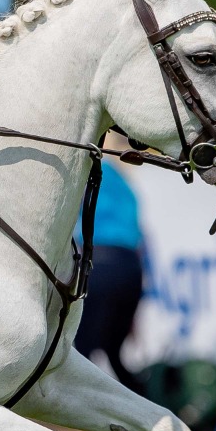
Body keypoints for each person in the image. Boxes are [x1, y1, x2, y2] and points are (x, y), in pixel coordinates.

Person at [74, 152, 145, 395]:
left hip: (97, 264)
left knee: (82, 352)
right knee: (114, 352)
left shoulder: (80, 173)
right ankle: (148, 411)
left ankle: (87, 422)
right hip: (129, 269)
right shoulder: (122, 182)